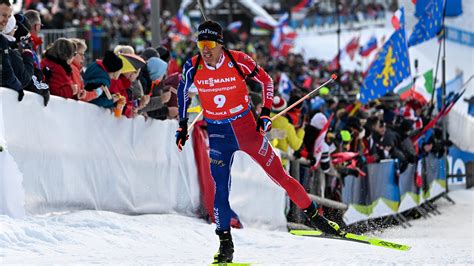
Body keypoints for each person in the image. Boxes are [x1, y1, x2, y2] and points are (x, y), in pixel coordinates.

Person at [175, 20, 342, 264]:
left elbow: (267, 81)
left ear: (220, 44)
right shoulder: (193, 66)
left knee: (280, 176)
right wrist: (181, 125)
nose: (205, 49)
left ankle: (317, 219)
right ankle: (225, 245)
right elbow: (181, 92)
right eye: (201, 44)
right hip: (219, 134)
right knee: (220, 189)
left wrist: (264, 113)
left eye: (210, 44)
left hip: (246, 130)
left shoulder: (237, 60)